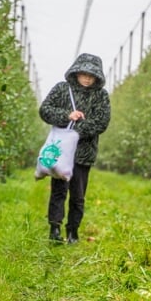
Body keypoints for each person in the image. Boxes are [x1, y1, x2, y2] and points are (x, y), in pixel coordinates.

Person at [39, 53, 111, 244]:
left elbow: (102, 122)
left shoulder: (100, 95)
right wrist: (67, 115)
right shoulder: (62, 89)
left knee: (78, 195)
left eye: (91, 75)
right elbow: (45, 109)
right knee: (58, 191)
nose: (87, 78)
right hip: (61, 152)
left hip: (83, 153)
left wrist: (77, 131)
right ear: (76, 72)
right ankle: (54, 229)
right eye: (83, 73)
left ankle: (73, 231)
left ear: (97, 76)